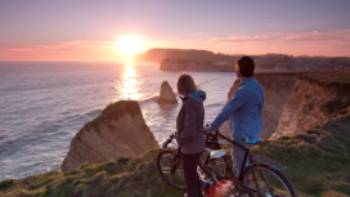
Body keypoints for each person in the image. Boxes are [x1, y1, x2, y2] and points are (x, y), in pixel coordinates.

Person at [209, 56, 264, 175]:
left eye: (236, 67)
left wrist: (212, 127)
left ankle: (243, 190)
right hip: (254, 129)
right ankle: (248, 183)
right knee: (246, 164)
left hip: (242, 133)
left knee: (239, 168)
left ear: (239, 70)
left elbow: (226, 111)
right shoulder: (257, 85)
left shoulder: (244, 91)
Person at [176, 74, 206, 197]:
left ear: (182, 87)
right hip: (199, 145)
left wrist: (180, 137)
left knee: (190, 180)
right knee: (194, 175)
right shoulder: (198, 100)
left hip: (190, 148)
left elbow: (190, 130)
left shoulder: (188, 104)